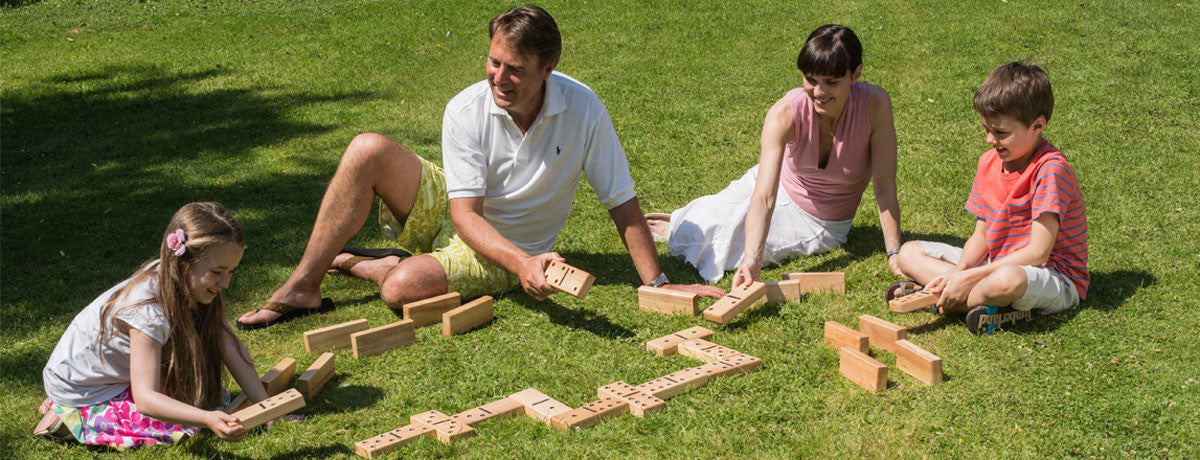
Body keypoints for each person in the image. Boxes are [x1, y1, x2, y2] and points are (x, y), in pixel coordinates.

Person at [237, 5, 722, 329]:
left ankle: (376, 266)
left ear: (548, 66)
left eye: (515, 69)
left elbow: (621, 200)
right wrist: (521, 265)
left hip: (510, 246)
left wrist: (656, 283)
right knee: (368, 148)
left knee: (402, 288)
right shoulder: (466, 108)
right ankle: (303, 287)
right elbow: (464, 213)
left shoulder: (584, 109)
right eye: (494, 62)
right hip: (462, 207)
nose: (499, 78)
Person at [646, 24, 902, 286]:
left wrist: (895, 253)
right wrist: (752, 260)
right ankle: (679, 222)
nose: (819, 92)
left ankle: (677, 225)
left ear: (855, 74)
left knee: (722, 243)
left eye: (831, 82)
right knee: (714, 217)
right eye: (811, 80)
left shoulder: (875, 105)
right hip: (778, 183)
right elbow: (765, 195)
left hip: (818, 220)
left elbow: (884, 186)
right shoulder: (784, 113)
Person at [35, 202, 268, 448]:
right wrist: (206, 419)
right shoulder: (148, 313)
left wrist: (265, 406)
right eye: (218, 272)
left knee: (205, 399)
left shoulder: (185, 281)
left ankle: (62, 404)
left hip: (104, 372)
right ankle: (68, 416)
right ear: (184, 261)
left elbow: (224, 339)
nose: (225, 283)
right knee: (184, 423)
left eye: (231, 271)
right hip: (87, 389)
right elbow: (146, 400)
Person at [891, 61, 1088, 334]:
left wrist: (967, 278)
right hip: (995, 262)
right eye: (986, 129)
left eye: (1000, 133)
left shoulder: (1051, 169)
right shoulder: (989, 162)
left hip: (1050, 276)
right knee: (909, 252)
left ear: (1037, 125)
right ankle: (972, 300)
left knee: (1005, 280)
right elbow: (981, 236)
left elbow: (1039, 252)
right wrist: (959, 272)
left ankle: (939, 298)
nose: (989, 139)